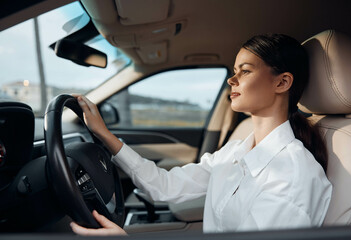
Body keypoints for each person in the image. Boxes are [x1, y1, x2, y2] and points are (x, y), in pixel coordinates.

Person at [70, 34, 332, 235]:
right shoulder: (236, 150)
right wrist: (104, 135)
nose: (233, 79)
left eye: (246, 70)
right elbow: (164, 185)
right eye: (234, 71)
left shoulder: (292, 174)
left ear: (282, 82)